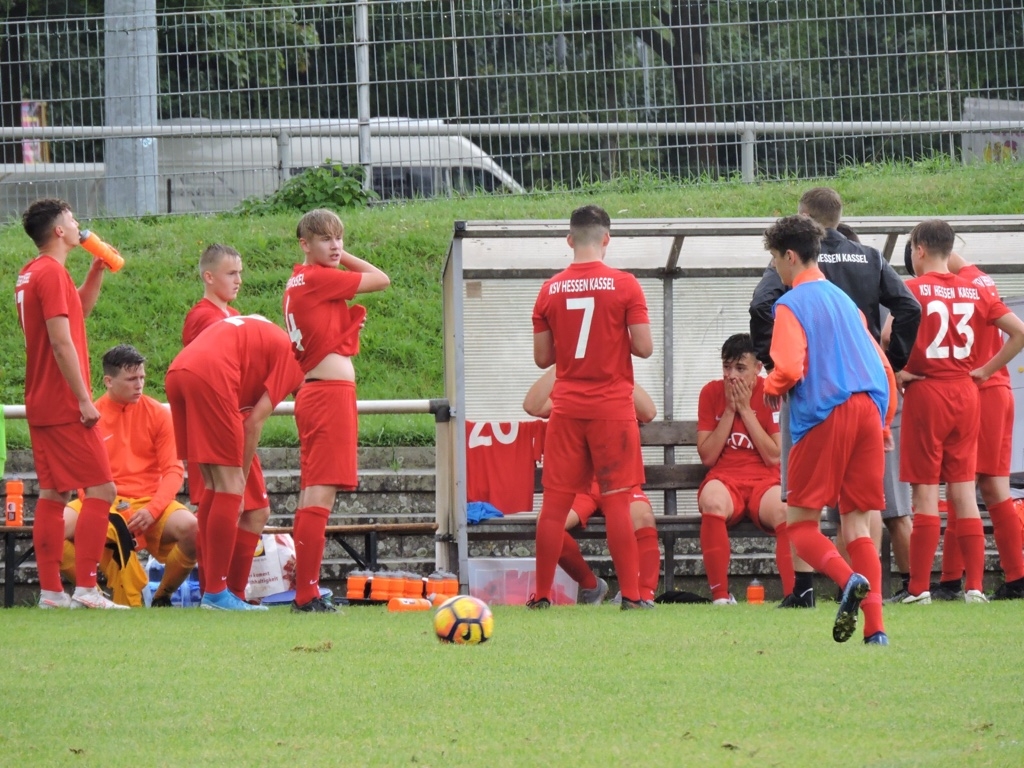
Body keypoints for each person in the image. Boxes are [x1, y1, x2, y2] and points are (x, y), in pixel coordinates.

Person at [750, 187, 920, 607]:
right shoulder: (865, 268)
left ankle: (815, 587)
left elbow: (763, 310)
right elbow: (906, 312)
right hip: (870, 401)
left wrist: (772, 378)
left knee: (800, 514)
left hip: (818, 403)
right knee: (862, 519)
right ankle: (875, 623)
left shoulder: (792, 293)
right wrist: (892, 379)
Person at [762, 214, 896, 645]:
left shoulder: (791, 304)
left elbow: (789, 367)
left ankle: (847, 578)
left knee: (801, 527)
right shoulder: (846, 302)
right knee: (858, 528)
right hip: (869, 411)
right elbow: (884, 368)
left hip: (824, 414)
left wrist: (770, 385)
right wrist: (884, 422)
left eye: (775, 259)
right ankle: (876, 631)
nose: (775, 268)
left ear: (789, 256)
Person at [529, 204, 654, 610]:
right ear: (606, 239)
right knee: (617, 500)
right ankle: (631, 596)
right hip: (612, 408)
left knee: (553, 506)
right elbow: (644, 348)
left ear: (569, 240)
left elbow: (543, 358)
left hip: (566, 408)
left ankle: (541, 595)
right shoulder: (625, 285)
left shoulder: (549, 289)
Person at [897, 220, 1024, 604]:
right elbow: (1016, 330)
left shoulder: (915, 288)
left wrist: (898, 372)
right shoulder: (978, 285)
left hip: (944, 388)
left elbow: (887, 337)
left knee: (939, 490)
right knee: (967, 489)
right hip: (974, 390)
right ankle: (968, 584)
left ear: (920, 250)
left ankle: (926, 586)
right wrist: (985, 370)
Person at [16, 198, 126, 610]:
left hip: (40, 398)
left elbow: (77, 311)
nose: (79, 225)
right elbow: (61, 342)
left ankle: (50, 593)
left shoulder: (32, 272)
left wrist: (96, 270)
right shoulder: (52, 273)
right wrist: (84, 399)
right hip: (64, 401)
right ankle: (87, 588)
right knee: (102, 489)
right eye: (72, 219)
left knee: (54, 493)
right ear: (60, 231)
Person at [282, 209, 390, 613]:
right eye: (326, 239)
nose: (336, 246)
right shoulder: (317, 277)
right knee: (320, 492)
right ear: (305, 244)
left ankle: (305, 589)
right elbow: (381, 279)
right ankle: (307, 593)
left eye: (339, 238)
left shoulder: (301, 279)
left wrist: (334, 254)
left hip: (317, 391)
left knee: (313, 491)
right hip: (327, 394)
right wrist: (342, 258)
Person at [167, 314, 305, 611]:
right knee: (231, 489)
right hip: (212, 375)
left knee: (214, 487)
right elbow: (253, 423)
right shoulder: (298, 358)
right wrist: (240, 480)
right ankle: (217, 594)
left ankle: (216, 593)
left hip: (179, 370)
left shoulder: (270, 339)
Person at [60, 344, 197, 606]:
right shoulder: (92, 415)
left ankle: (162, 596)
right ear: (108, 381)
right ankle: (92, 593)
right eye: (132, 379)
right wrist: (103, 512)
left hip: (147, 501)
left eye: (142, 377)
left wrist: (152, 510)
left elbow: (174, 470)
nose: (139, 384)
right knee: (54, 529)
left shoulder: (158, 413)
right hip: (101, 501)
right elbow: (81, 476)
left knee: (194, 530)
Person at [183, 244, 273, 602]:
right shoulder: (203, 317)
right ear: (209, 277)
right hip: (221, 423)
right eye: (231, 273)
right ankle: (220, 592)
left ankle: (225, 592)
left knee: (250, 509)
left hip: (236, 421)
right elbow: (212, 374)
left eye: (240, 272)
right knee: (230, 505)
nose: (239, 279)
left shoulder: (232, 315)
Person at [523, 368, 660, 603]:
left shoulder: (616, 385)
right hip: (580, 486)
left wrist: (616, 370)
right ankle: (591, 585)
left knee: (644, 517)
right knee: (549, 522)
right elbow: (532, 405)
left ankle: (643, 595)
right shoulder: (570, 387)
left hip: (617, 482)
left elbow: (649, 412)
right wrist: (563, 364)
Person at [696, 333, 794, 605]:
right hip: (726, 478)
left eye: (740, 368)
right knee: (712, 501)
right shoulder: (710, 392)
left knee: (785, 511)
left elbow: (774, 456)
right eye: (726, 367)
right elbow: (708, 456)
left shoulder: (771, 393)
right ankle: (720, 596)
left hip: (765, 480)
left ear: (758, 368)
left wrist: (746, 411)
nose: (732, 376)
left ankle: (793, 596)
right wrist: (730, 410)